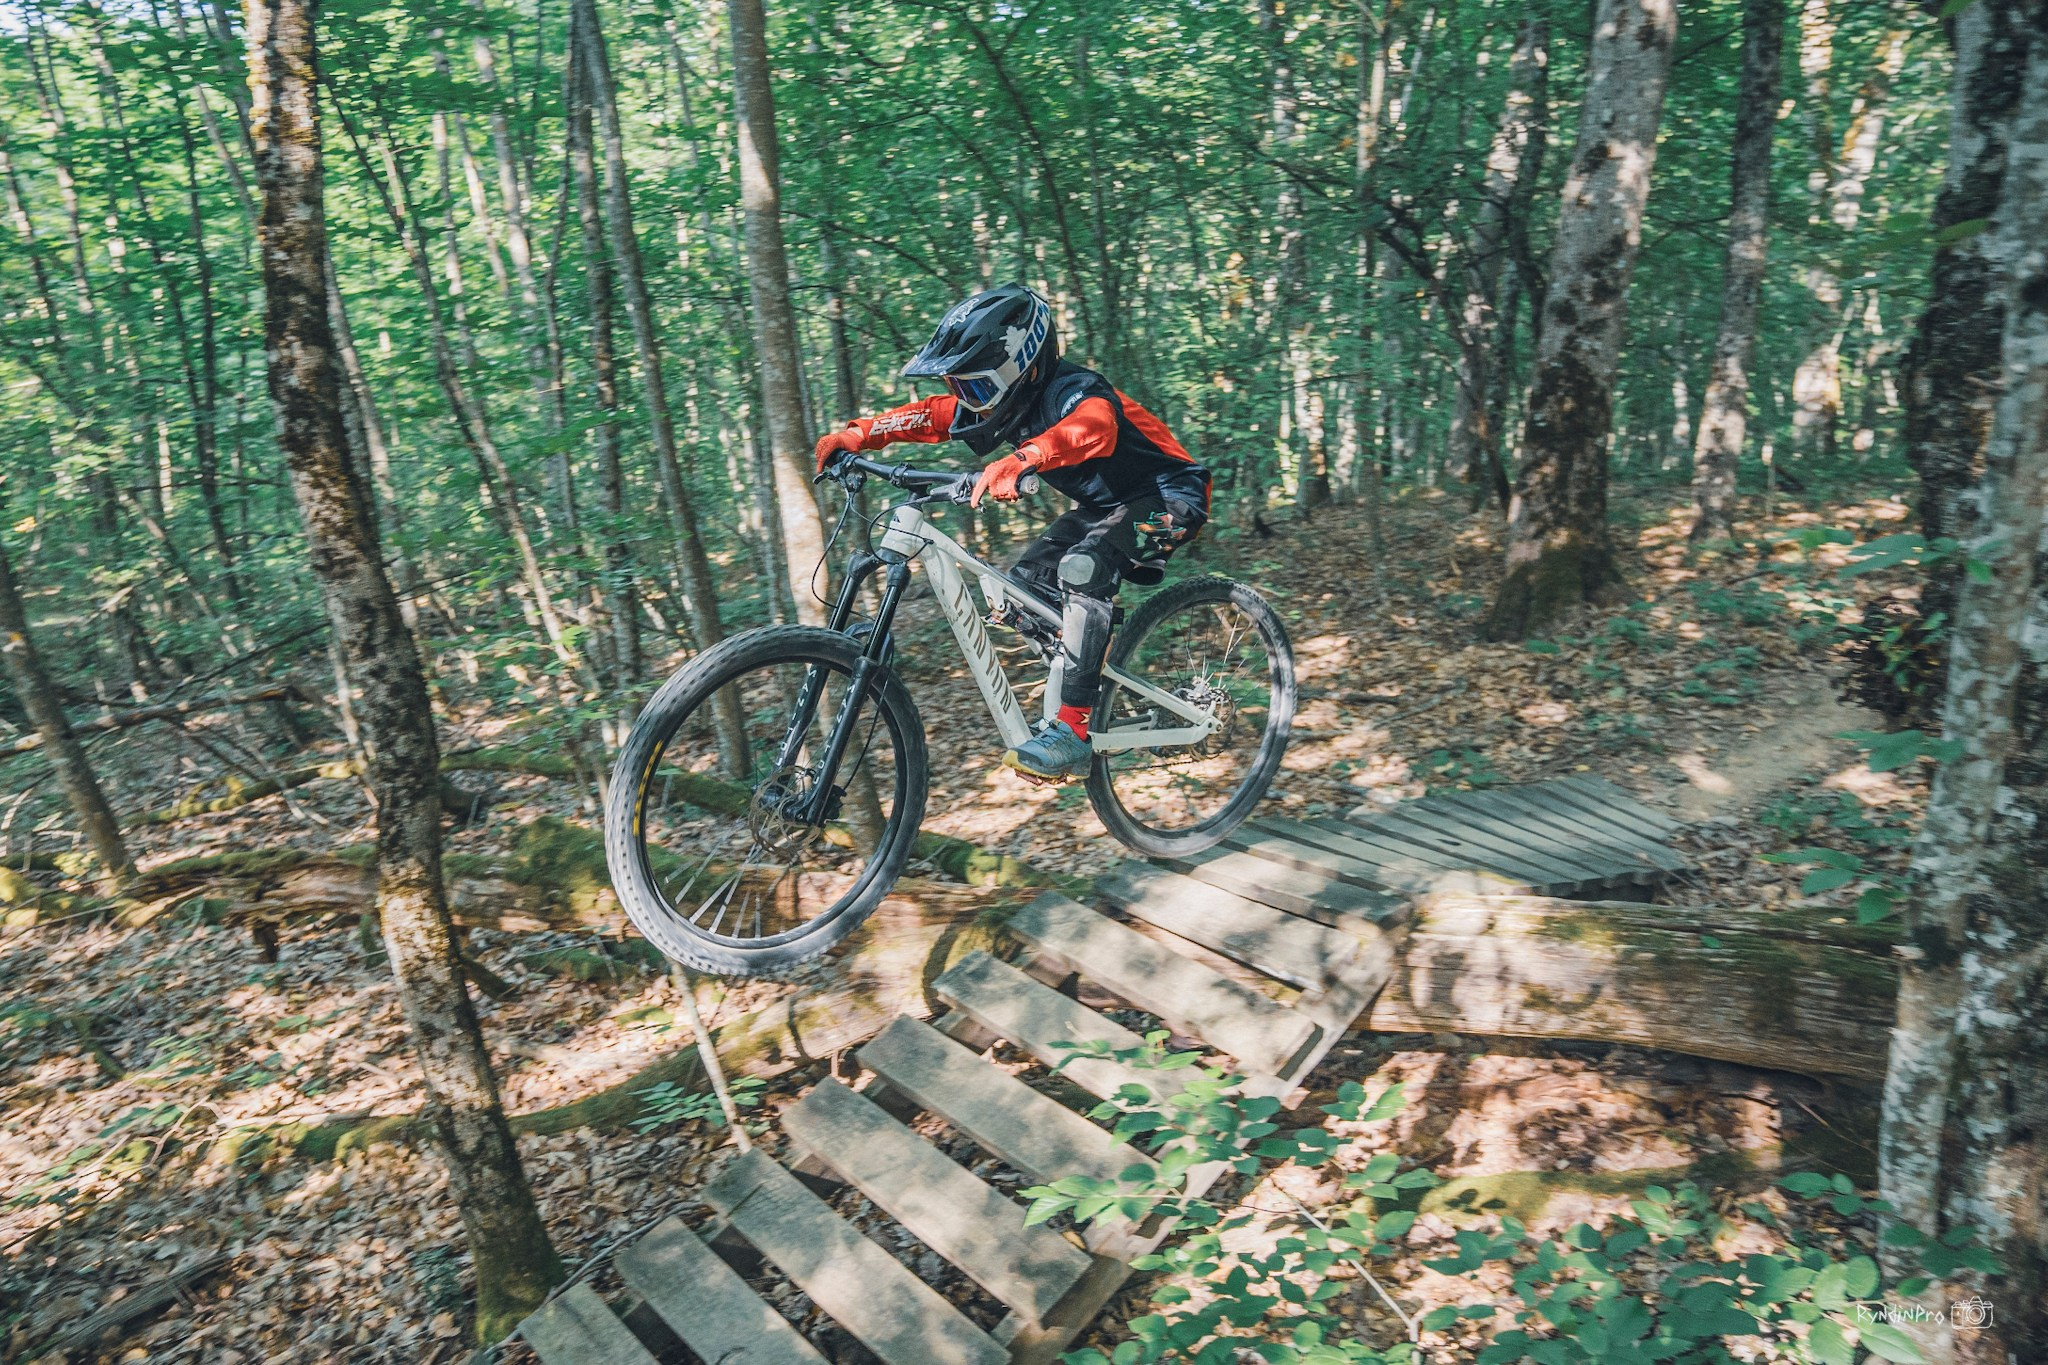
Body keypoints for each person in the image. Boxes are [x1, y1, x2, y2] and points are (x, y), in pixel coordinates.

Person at [814, 283, 1209, 782]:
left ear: (1025, 368)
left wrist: (1026, 458)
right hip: (1105, 507)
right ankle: (1095, 674)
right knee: (1021, 591)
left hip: (1174, 501)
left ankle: (1073, 728)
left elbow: (1096, 426)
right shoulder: (1000, 401)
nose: (969, 403)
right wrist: (859, 433)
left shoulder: (1074, 389)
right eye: (962, 387)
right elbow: (933, 415)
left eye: (975, 387)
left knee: (1084, 569)